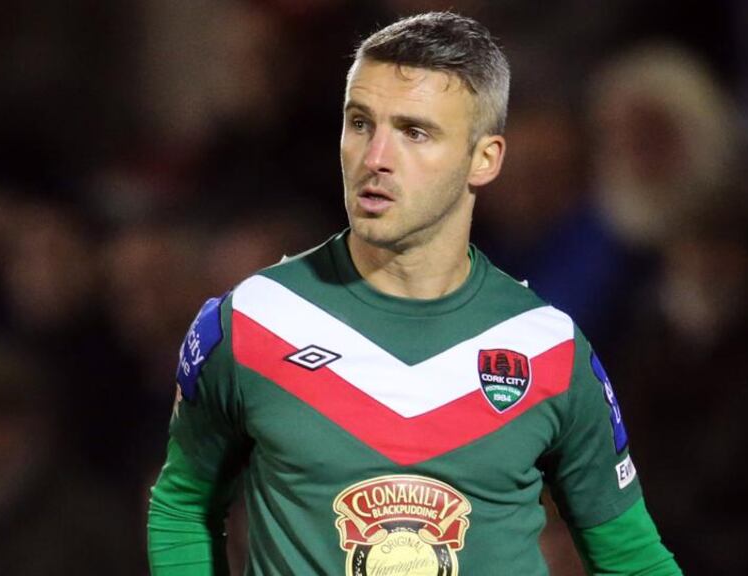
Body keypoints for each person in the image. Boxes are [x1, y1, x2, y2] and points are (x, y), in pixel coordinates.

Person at [147, 12, 680, 575]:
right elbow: (182, 505)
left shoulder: (550, 350)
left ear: (485, 159)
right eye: (359, 123)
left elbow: (632, 560)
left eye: (414, 131)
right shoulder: (252, 322)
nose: (375, 157)